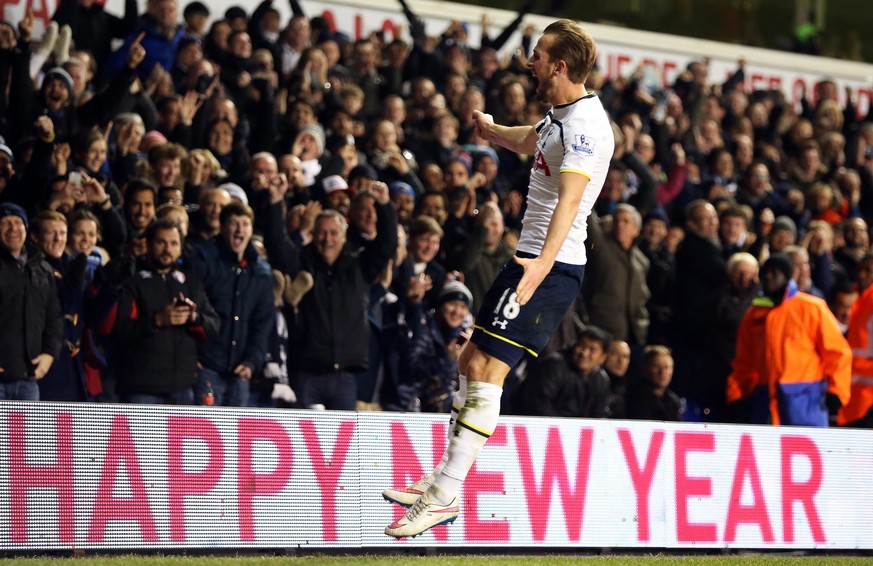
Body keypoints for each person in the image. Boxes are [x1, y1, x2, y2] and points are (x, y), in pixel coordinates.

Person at [383, 19, 614, 538]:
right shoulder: (561, 116)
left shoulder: (586, 127)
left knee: (487, 368)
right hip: (529, 258)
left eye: (536, 54)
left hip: (548, 265)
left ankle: (443, 495)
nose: (528, 62)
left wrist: (540, 265)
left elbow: (572, 201)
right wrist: (492, 133)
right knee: (470, 358)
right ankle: (441, 482)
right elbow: (532, 139)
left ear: (559, 64)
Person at [727, 254, 851, 426]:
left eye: (774, 272)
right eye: (765, 273)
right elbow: (744, 361)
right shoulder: (754, 314)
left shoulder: (812, 308)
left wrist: (836, 392)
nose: (768, 277)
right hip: (766, 401)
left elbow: (837, 353)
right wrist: (738, 394)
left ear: (786, 276)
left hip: (807, 401)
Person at [113, 219, 219, 403]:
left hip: (183, 388)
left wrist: (194, 318)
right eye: (161, 242)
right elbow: (119, 331)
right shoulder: (132, 282)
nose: (167, 249)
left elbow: (214, 325)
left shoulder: (190, 282)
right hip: (142, 388)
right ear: (149, 244)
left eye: (173, 243)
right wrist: (157, 321)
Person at [186, 202, 274, 406]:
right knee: (203, 434)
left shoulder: (261, 272)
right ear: (223, 227)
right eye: (234, 223)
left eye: (245, 224)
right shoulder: (204, 261)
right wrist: (192, 356)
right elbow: (192, 311)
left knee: (235, 437)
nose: (239, 229)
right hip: (205, 368)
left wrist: (252, 361)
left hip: (240, 373)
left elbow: (262, 323)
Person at [0, 203, 63, 400]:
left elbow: (54, 317)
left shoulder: (42, 269)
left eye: (18, 222)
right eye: (5, 223)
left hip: (28, 381)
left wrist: (49, 355)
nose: (13, 229)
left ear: (26, 229)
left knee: (26, 433)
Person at [510, 325, 612, 418]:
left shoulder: (601, 380)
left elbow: (599, 414)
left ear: (602, 357)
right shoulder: (553, 365)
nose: (584, 353)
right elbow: (537, 405)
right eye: (581, 345)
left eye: (592, 349)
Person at [625, 345, 682, 421]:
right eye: (656, 366)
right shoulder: (634, 398)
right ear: (645, 369)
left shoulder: (673, 401)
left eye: (666, 367)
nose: (662, 372)